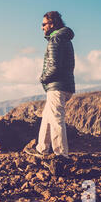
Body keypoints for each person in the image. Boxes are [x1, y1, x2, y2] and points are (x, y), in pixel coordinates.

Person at [25, 11, 75, 159]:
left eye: (43, 24)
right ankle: (42, 148)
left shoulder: (56, 39)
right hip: (64, 85)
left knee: (56, 119)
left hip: (57, 86)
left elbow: (54, 66)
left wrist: (43, 78)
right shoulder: (65, 39)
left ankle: (61, 154)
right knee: (47, 117)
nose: (42, 27)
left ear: (52, 24)